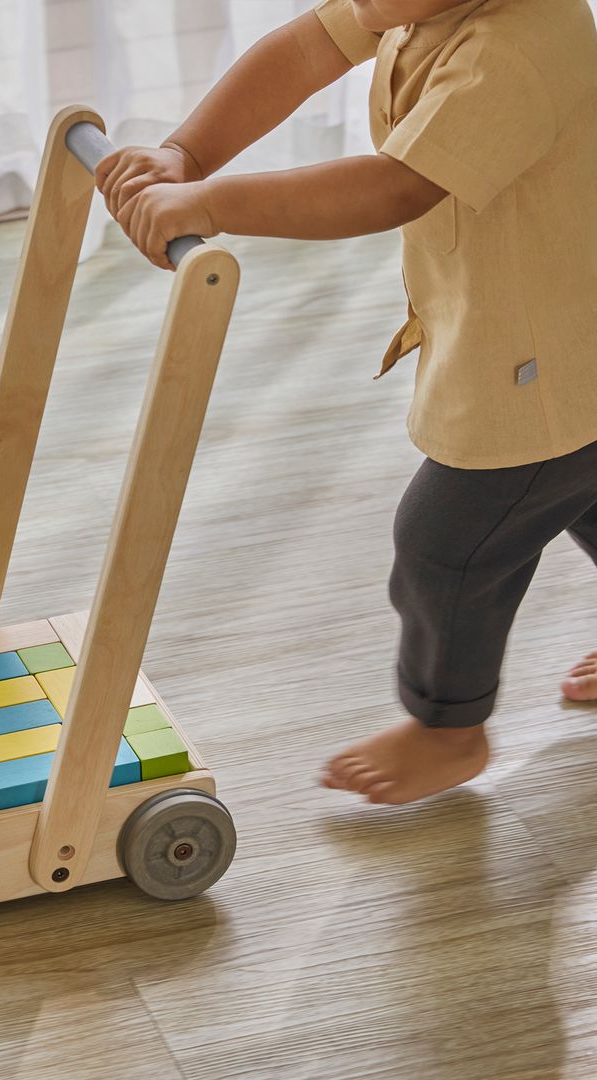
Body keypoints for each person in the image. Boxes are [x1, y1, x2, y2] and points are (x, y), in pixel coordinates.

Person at [94, 0, 597, 804]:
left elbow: (395, 188)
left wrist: (213, 203)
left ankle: (449, 729)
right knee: (579, 488)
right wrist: (186, 153)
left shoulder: (518, 49)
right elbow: (303, 51)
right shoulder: (415, 3)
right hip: (550, 328)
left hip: (549, 365)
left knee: (447, 542)